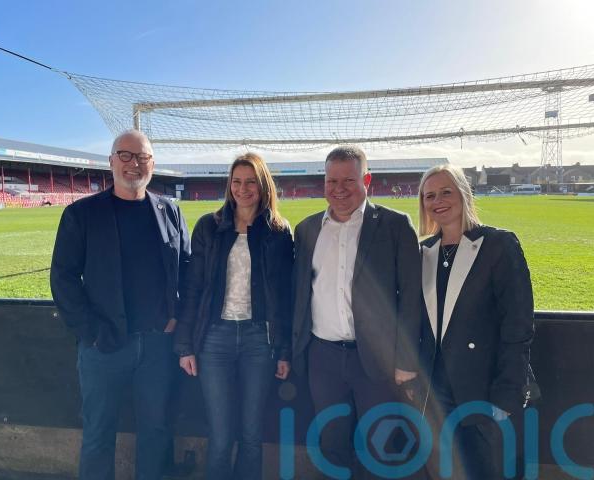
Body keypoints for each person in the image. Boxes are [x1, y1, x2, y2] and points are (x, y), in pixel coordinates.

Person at [50, 129, 190, 480]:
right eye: (125, 155)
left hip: (158, 346)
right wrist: (92, 333)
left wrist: (176, 317)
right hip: (104, 346)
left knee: (156, 432)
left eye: (142, 157)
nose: (134, 163)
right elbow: (63, 278)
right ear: (111, 161)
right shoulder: (82, 214)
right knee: (98, 435)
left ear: (152, 164)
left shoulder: (171, 212)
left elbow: (188, 270)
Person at [291, 145, 422, 476]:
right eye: (331, 181)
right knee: (331, 443)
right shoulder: (306, 229)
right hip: (323, 358)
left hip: (377, 359)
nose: (339, 189)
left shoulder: (395, 225)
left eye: (348, 180)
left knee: (379, 446)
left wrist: (406, 360)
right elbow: (301, 294)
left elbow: (411, 297)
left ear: (366, 180)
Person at [174, 152, 293, 480]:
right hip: (215, 340)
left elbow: (285, 297)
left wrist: (284, 350)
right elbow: (193, 289)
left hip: (259, 341)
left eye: (251, 182)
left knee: (252, 434)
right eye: (237, 182)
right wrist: (185, 346)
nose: (243, 188)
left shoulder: (278, 232)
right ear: (229, 186)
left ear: (263, 186)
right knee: (221, 434)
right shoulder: (209, 227)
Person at [415, 164, 534, 479]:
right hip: (436, 391)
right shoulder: (423, 252)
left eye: (446, 192)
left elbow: (518, 324)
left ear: (464, 194)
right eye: (429, 196)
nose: (438, 201)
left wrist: (507, 392)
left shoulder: (499, 244)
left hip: (484, 388)